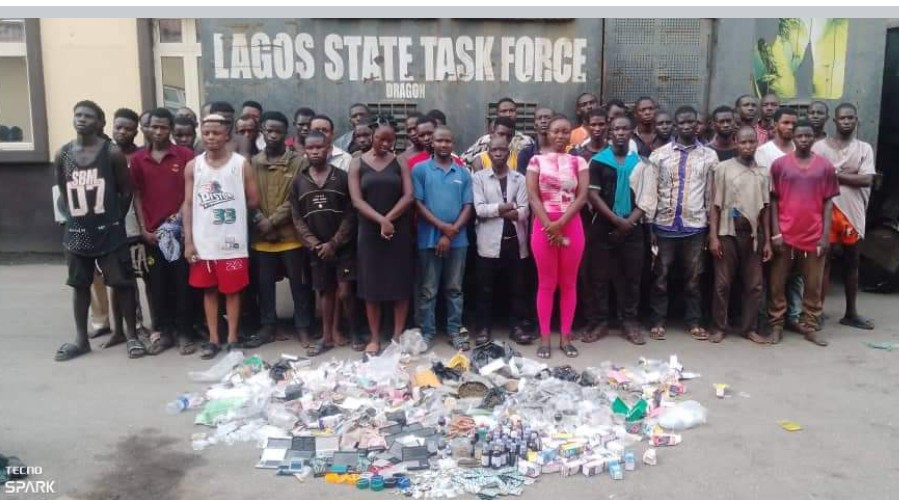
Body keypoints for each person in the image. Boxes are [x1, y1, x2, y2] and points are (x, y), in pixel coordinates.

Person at [54, 100, 142, 361]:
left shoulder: (111, 153)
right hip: (78, 231)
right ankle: (81, 339)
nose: (82, 119)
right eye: (78, 114)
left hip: (110, 231)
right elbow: (63, 190)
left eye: (88, 116)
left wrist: (114, 219)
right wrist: (76, 218)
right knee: (80, 285)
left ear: (100, 123)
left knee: (122, 283)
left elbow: (125, 191)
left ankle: (132, 335)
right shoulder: (64, 154)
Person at [183, 114, 260, 359]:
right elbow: (187, 204)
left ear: (227, 135)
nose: (211, 137)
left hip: (232, 242)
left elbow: (254, 200)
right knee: (209, 291)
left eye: (216, 133)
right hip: (204, 242)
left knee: (233, 291)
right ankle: (213, 339)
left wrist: (231, 209)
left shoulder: (240, 164)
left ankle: (233, 338)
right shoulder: (194, 166)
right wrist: (188, 241)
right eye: (206, 133)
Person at [242, 111, 314, 349]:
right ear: (262, 132)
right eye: (268, 131)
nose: (273, 135)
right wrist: (260, 220)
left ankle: (303, 327)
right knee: (264, 285)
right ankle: (268, 326)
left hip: (291, 236)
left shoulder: (299, 161)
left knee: (299, 284)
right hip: (261, 236)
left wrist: (272, 221)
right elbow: (246, 196)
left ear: (286, 134)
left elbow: (297, 197)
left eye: (278, 131)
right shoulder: (252, 162)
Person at [584, 115, 657, 345]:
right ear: (610, 132)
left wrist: (628, 223)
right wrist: (616, 220)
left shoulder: (642, 163)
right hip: (603, 226)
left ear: (631, 131)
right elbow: (593, 196)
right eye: (616, 128)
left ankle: (629, 322)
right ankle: (601, 321)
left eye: (625, 128)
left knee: (632, 278)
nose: (621, 132)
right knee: (599, 277)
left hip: (633, 227)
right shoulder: (598, 161)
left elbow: (647, 198)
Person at [648, 105, 719, 341]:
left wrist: (711, 229)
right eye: (682, 123)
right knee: (660, 277)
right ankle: (658, 321)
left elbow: (711, 195)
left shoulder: (709, 156)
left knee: (694, 278)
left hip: (695, 226)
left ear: (698, 125)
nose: (687, 126)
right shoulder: (659, 155)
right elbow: (651, 192)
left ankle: (694, 321)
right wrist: (650, 226)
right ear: (675, 125)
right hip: (664, 225)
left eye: (692, 122)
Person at [131, 107, 197, 355]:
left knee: (183, 285)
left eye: (163, 127)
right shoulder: (138, 159)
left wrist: (178, 220)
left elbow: (190, 193)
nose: (158, 131)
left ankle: (185, 333)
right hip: (152, 236)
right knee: (157, 285)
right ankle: (163, 332)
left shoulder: (185, 155)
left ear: (170, 129)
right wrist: (143, 229)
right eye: (153, 126)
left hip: (179, 233)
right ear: (146, 128)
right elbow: (137, 195)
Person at [768, 120, 839, 346]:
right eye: (800, 136)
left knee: (813, 285)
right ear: (793, 137)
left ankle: (810, 326)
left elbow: (828, 202)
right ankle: (776, 325)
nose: (804, 140)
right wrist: (776, 233)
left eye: (809, 136)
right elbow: (773, 200)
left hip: (814, 236)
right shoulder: (780, 165)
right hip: (786, 235)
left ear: (814, 138)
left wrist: (826, 235)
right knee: (778, 283)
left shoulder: (825, 167)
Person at [349, 120, 415, 355]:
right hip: (369, 233)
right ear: (372, 137)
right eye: (380, 139)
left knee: (400, 284)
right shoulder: (357, 163)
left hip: (398, 232)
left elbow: (409, 196)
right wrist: (381, 221)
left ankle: (396, 336)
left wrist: (389, 220)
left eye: (390, 140)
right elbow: (357, 200)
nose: (385, 144)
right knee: (371, 286)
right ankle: (375, 337)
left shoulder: (401, 162)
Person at [527, 115, 589, 359]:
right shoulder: (536, 160)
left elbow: (582, 196)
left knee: (569, 283)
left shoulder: (578, 161)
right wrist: (549, 225)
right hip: (543, 225)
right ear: (547, 133)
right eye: (556, 131)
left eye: (565, 131)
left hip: (571, 225)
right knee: (546, 283)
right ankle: (545, 339)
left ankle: (565, 337)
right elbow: (532, 196)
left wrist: (561, 224)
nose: (560, 136)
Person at [291, 130, 357, 356]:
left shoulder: (341, 177)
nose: (315, 151)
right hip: (317, 250)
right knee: (325, 292)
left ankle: (355, 331)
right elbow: (296, 217)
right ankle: (327, 336)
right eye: (310, 148)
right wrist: (315, 244)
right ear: (305, 151)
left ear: (329, 149)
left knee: (346, 291)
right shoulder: (300, 181)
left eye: (320, 147)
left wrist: (334, 243)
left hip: (342, 246)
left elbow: (351, 213)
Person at [813, 103, 876, 330]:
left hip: (852, 212)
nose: (847, 122)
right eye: (842, 118)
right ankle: (816, 311)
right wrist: (850, 175)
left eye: (851, 118)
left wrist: (835, 173)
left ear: (856, 121)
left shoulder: (864, 149)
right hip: (827, 210)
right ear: (835, 121)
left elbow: (867, 179)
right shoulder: (820, 147)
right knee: (823, 261)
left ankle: (851, 312)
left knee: (852, 262)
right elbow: (816, 176)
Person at [708, 126, 772, 344]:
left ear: (757, 143)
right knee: (722, 284)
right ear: (736, 142)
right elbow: (715, 206)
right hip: (728, 232)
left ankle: (749, 328)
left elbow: (765, 208)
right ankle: (719, 326)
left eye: (751, 142)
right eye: (743, 142)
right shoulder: (723, 168)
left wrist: (768, 241)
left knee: (754, 285)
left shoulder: (763, 172)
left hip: (753, 235)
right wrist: (714, 236)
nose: (747, 146)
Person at [413, 126, 474, 351]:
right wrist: (442, 229)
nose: (444, 145)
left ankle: (454, 331)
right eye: (440, 141)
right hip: (428, 238)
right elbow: (418, 204)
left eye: (448, 141)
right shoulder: (420, 170)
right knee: (428, 290)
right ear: (432, 143)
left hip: (458, 241)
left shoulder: (463, 173)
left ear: (453, 143)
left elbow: (468, 206)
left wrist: (451, 232)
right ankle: (427, 332)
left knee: (454, 288)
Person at [472, 136, 532, 345]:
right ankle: (483, 328)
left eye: (502, 150)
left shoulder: (520, 178)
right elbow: (479, 209)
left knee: (517, 288)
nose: (498, 153)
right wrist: (505, 207)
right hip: (488, 242)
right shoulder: (479, 178)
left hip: (515, 241)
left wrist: (498, 209)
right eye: (494, 150)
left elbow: (524, 211)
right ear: (488, 153)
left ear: (509, 153)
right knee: (485, 288)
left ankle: (516, 327)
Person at [754, 107, 804, 331]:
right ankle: (769, 317)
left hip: (799, 220)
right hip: (772, 218)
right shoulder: (764, 152)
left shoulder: (801, 149)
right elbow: (764, 191)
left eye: (793, 123)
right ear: (774, 124)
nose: (790, 127)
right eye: (785, 123)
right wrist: (771, 230)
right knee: (771, 271)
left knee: (797, 272)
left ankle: (794, 315)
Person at [461, 97, 533, 165]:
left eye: (511, 111)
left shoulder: (526, 141)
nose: (508, 114)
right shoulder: (485, 140)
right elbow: (463, 161)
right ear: (497, 114)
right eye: (504, 111)